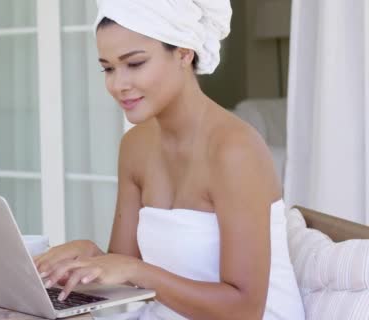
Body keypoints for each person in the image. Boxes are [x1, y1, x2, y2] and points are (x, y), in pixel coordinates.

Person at [33, 0, 305, 319]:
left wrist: (136, 270)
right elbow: (125, 271)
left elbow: (244, 309)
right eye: (107, 68)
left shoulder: (234, 150)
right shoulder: (135, 146)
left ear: (183, 53)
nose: (118, 84)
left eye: (134, 63)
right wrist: (88, 257)